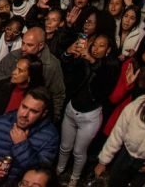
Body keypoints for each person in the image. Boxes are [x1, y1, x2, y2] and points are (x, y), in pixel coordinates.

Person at [56, 33, 120, 186]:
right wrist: (68, 52)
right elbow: (66, 66)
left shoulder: (111, 66)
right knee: (65, 147)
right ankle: (58, 171)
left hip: (90, 117)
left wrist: (92, 60)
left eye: (101, 45)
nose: (96, 48)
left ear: (108, 50)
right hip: (72, 110)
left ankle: (75, 178)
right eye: (95, 44)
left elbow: (103, 86)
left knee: (79, 152)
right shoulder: (84, 60)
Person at [0, 88, 59, 187]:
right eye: (24, 107)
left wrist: (21, 145)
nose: (24, 114)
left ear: (43, 114)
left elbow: (42, 175)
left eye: (33, 111)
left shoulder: (50, 137)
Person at [0, 26, 66, 121]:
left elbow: (57, 96)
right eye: (23, 43)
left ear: (41, 45)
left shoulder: (52, 65)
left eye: (29, 45)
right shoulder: (13, 55)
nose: (23, 48)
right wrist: (13, 82)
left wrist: (51, 120)